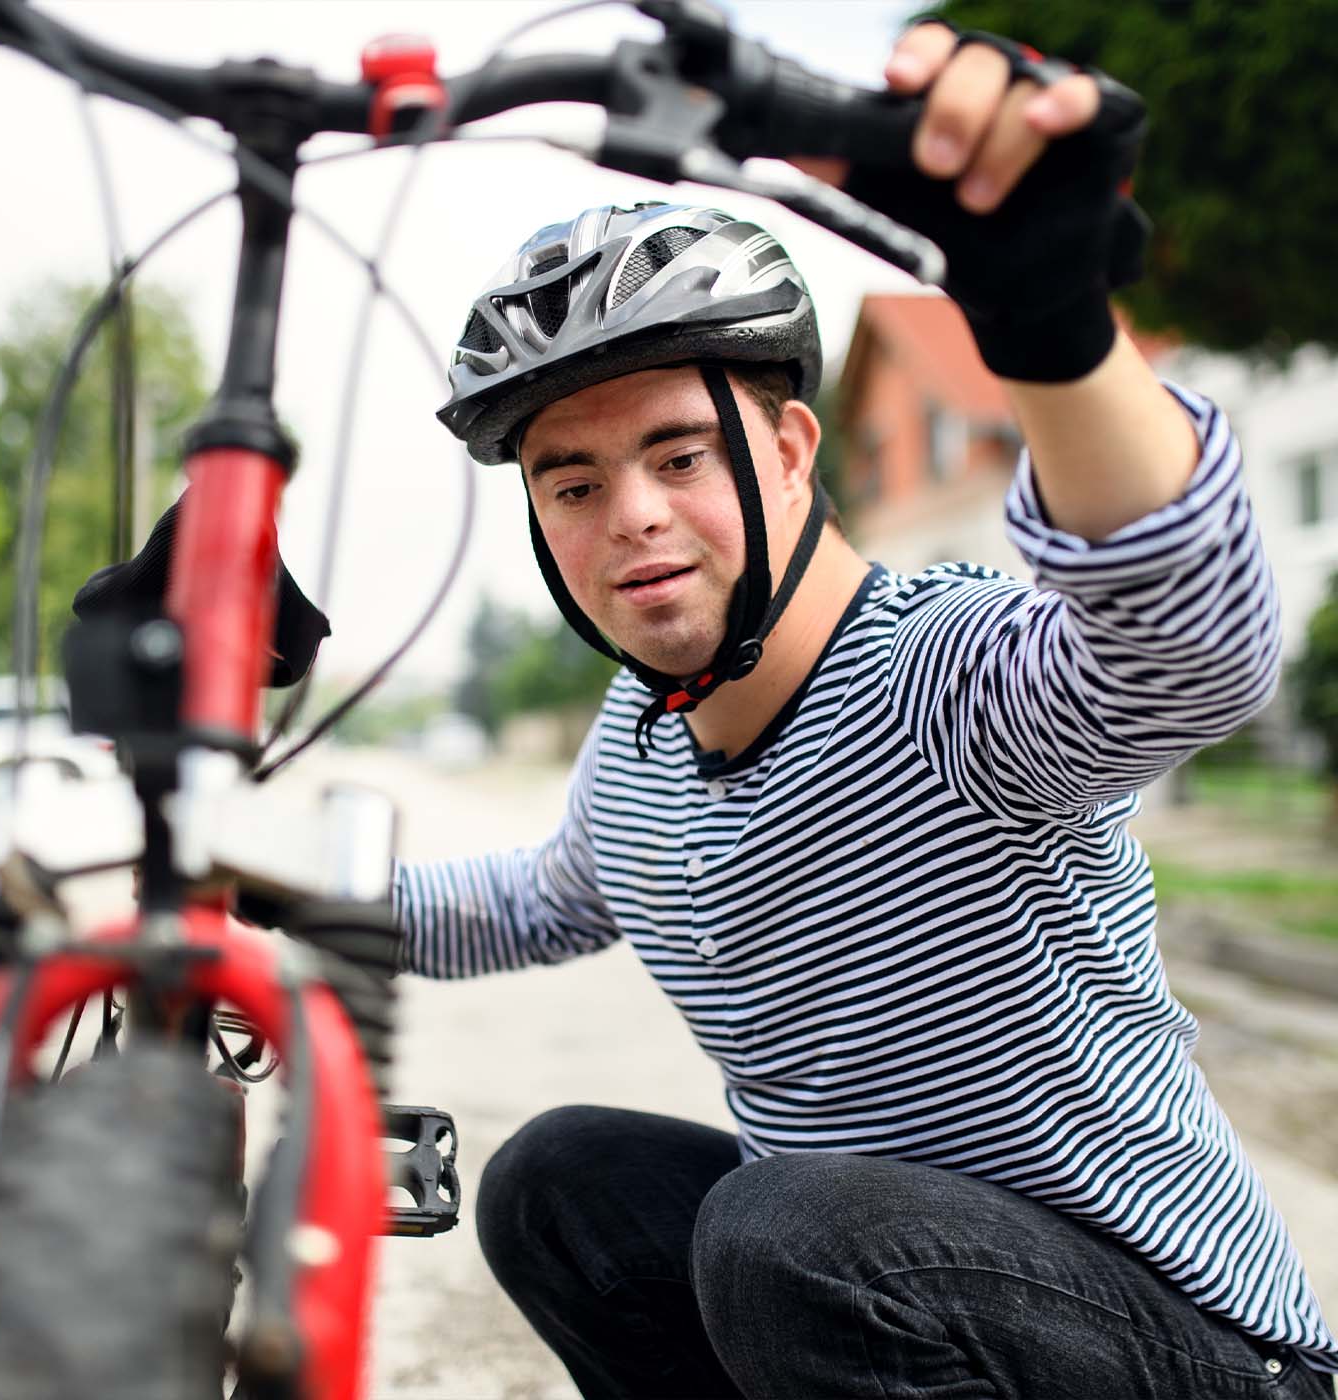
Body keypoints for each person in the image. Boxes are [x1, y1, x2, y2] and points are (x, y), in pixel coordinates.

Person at [395, 20, 1338, 1399]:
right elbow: (532, 899)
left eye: (678, 453)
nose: (633, 517)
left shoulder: (936, 675)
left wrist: (1048, 323)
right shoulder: (642, 741)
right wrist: (234, 881)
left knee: (789, 1235)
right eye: (575, 483)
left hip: (1204, 1358)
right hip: (908, 1298)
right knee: (562, 1184)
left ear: (787, 452)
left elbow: (1182, 654)